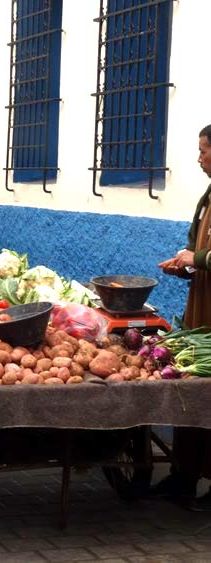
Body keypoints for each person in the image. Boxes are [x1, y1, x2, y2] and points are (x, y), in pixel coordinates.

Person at [154, 124, 211, 511]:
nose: (199, 158)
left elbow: (202, 253)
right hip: (201, 309)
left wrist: (200, 260)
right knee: (190, 393)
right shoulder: (207, 196)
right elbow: (195, 246)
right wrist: (183, 264)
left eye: (204, 150)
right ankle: (183, 476)